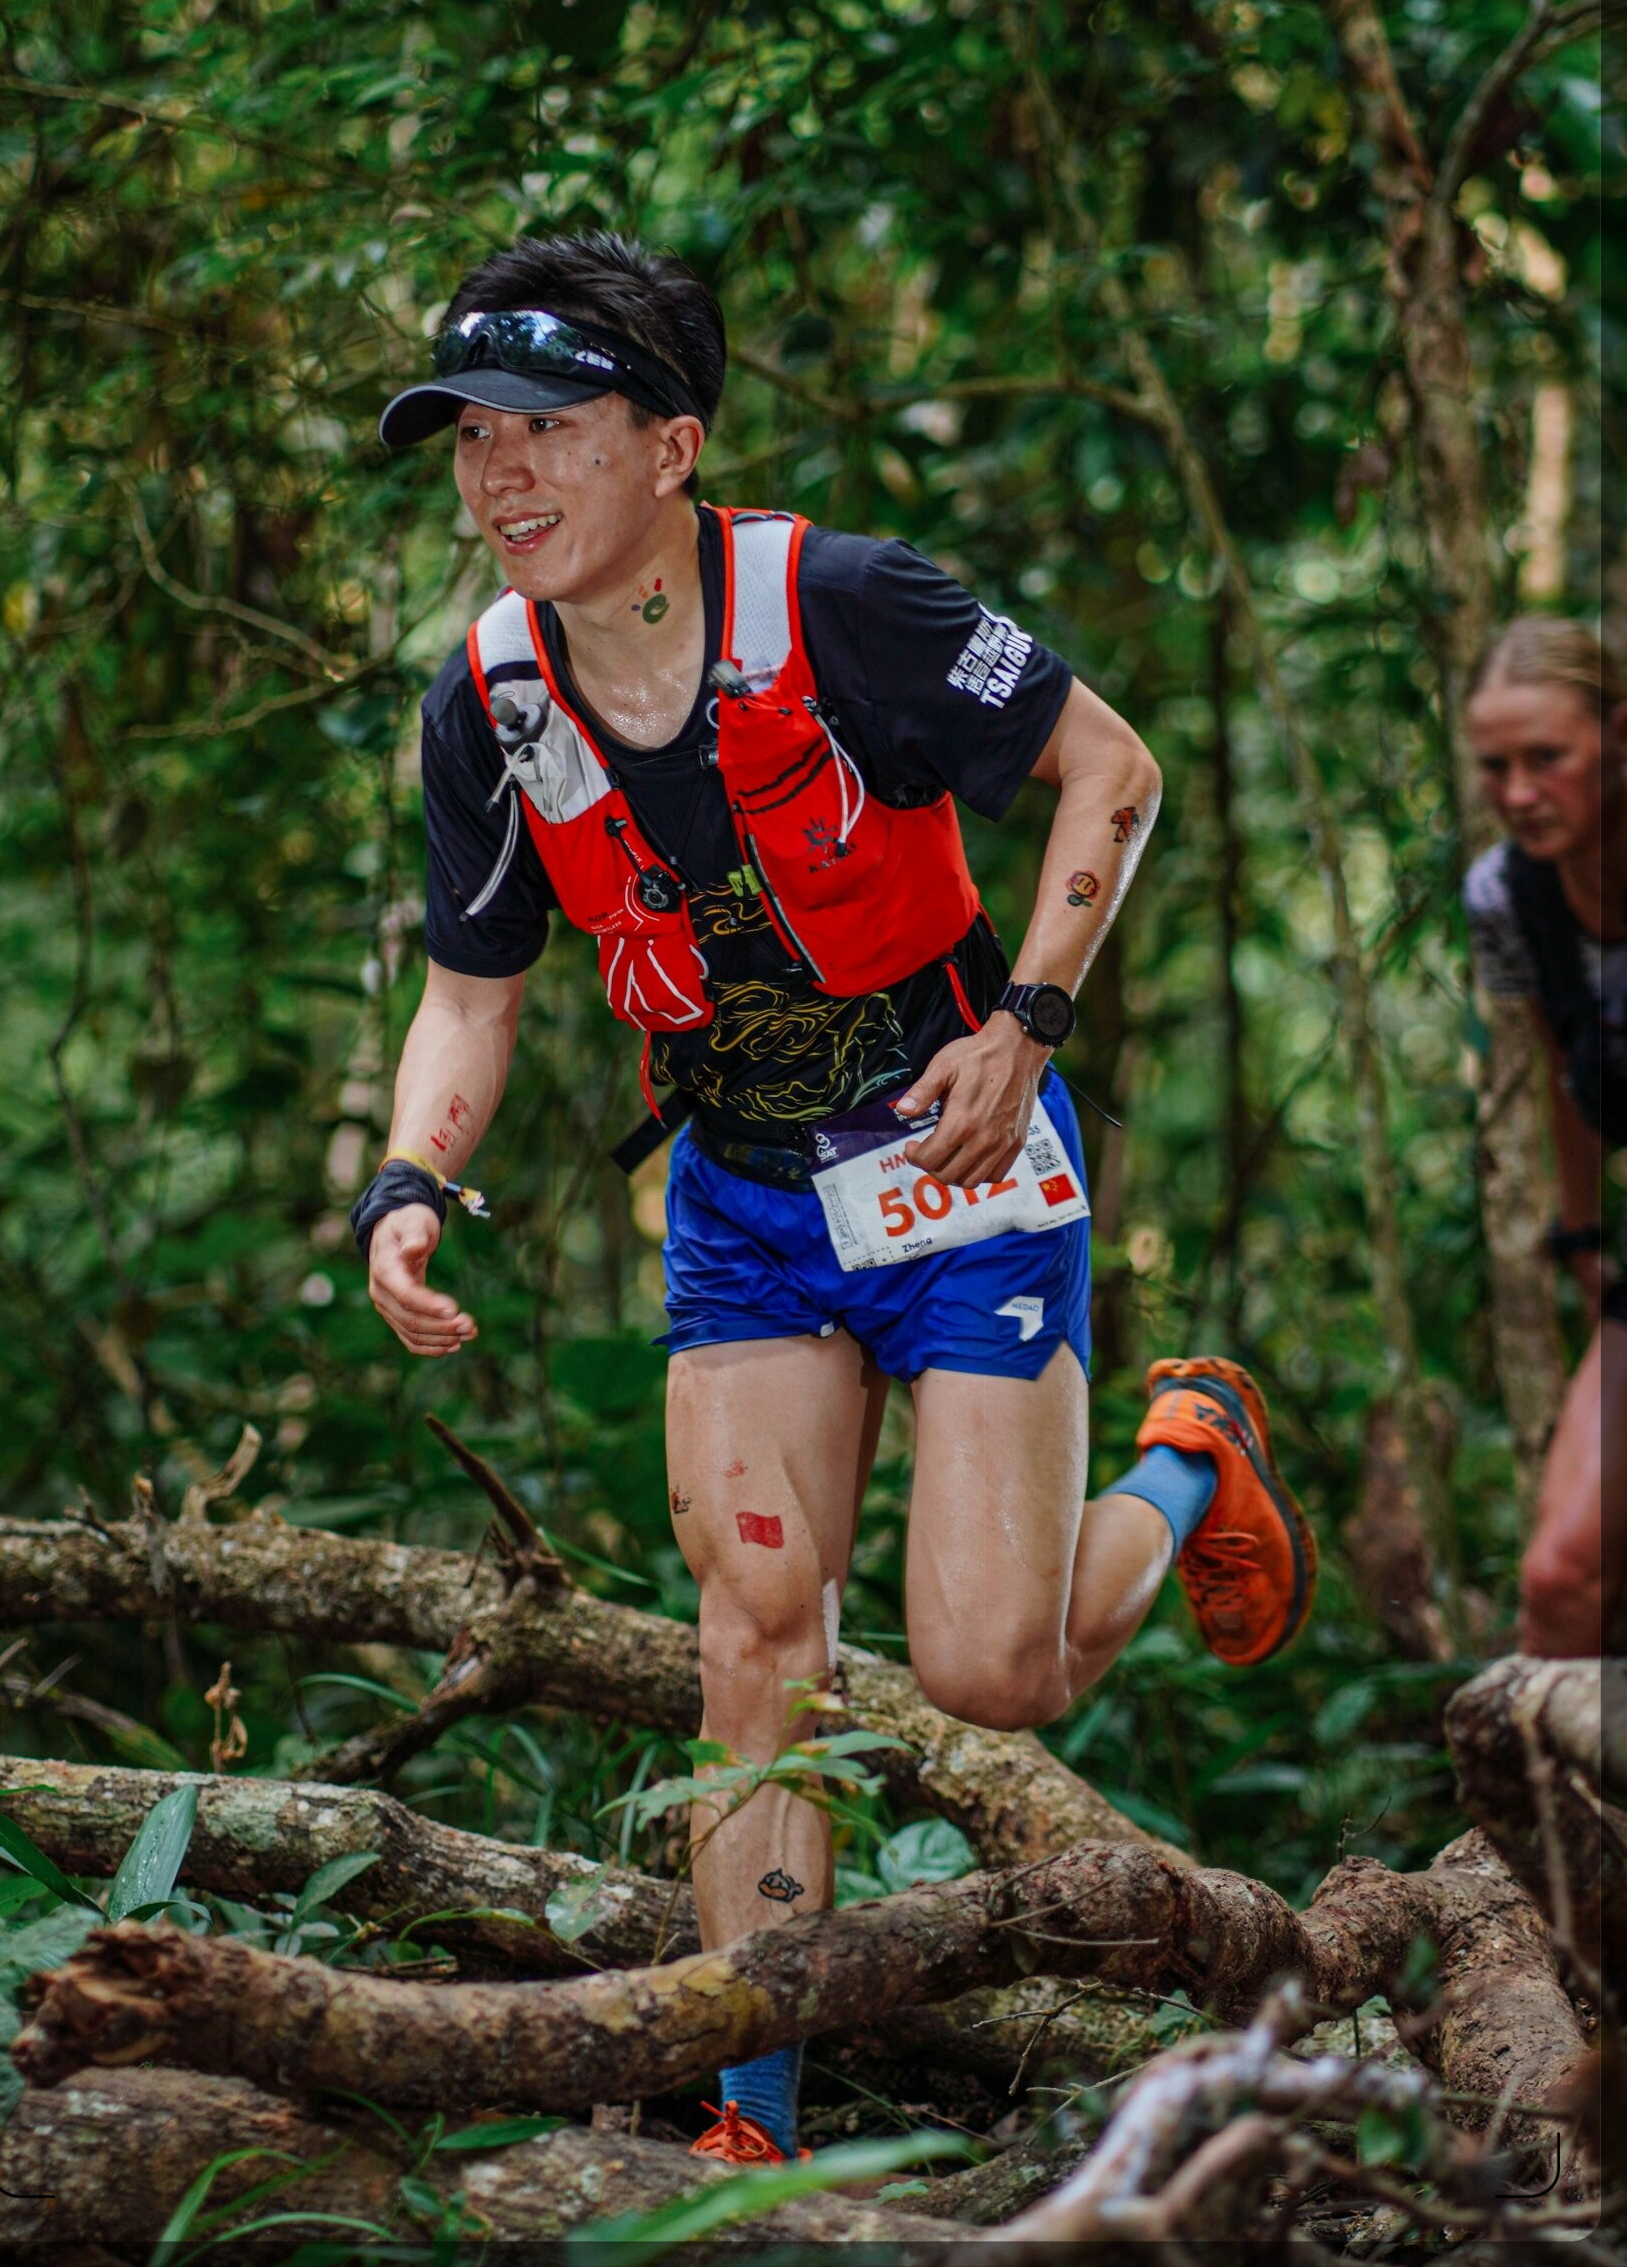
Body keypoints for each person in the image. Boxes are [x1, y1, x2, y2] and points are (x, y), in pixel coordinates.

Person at [355, 231, 1317, 2164]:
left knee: (994, 1672)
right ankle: (754, 2116)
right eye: (469, 436)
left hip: (959, 1166)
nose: (498, 474)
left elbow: (1106, 770)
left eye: (546, 427)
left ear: (671, 445)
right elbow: (473, 994)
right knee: (754, 1634)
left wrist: (1030, 1024)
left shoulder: (849, 606)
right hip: (742, 1197)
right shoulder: (488, 704)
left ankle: (1189, 1457)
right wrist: (409, 1181)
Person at [1464, 618, 1627, 1655]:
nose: (1518, 790)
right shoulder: (1506, 897)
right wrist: (1579, 1241)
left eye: (1546, 759)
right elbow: (1565, 1079)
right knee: (1560, 1581)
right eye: (1494, 766)